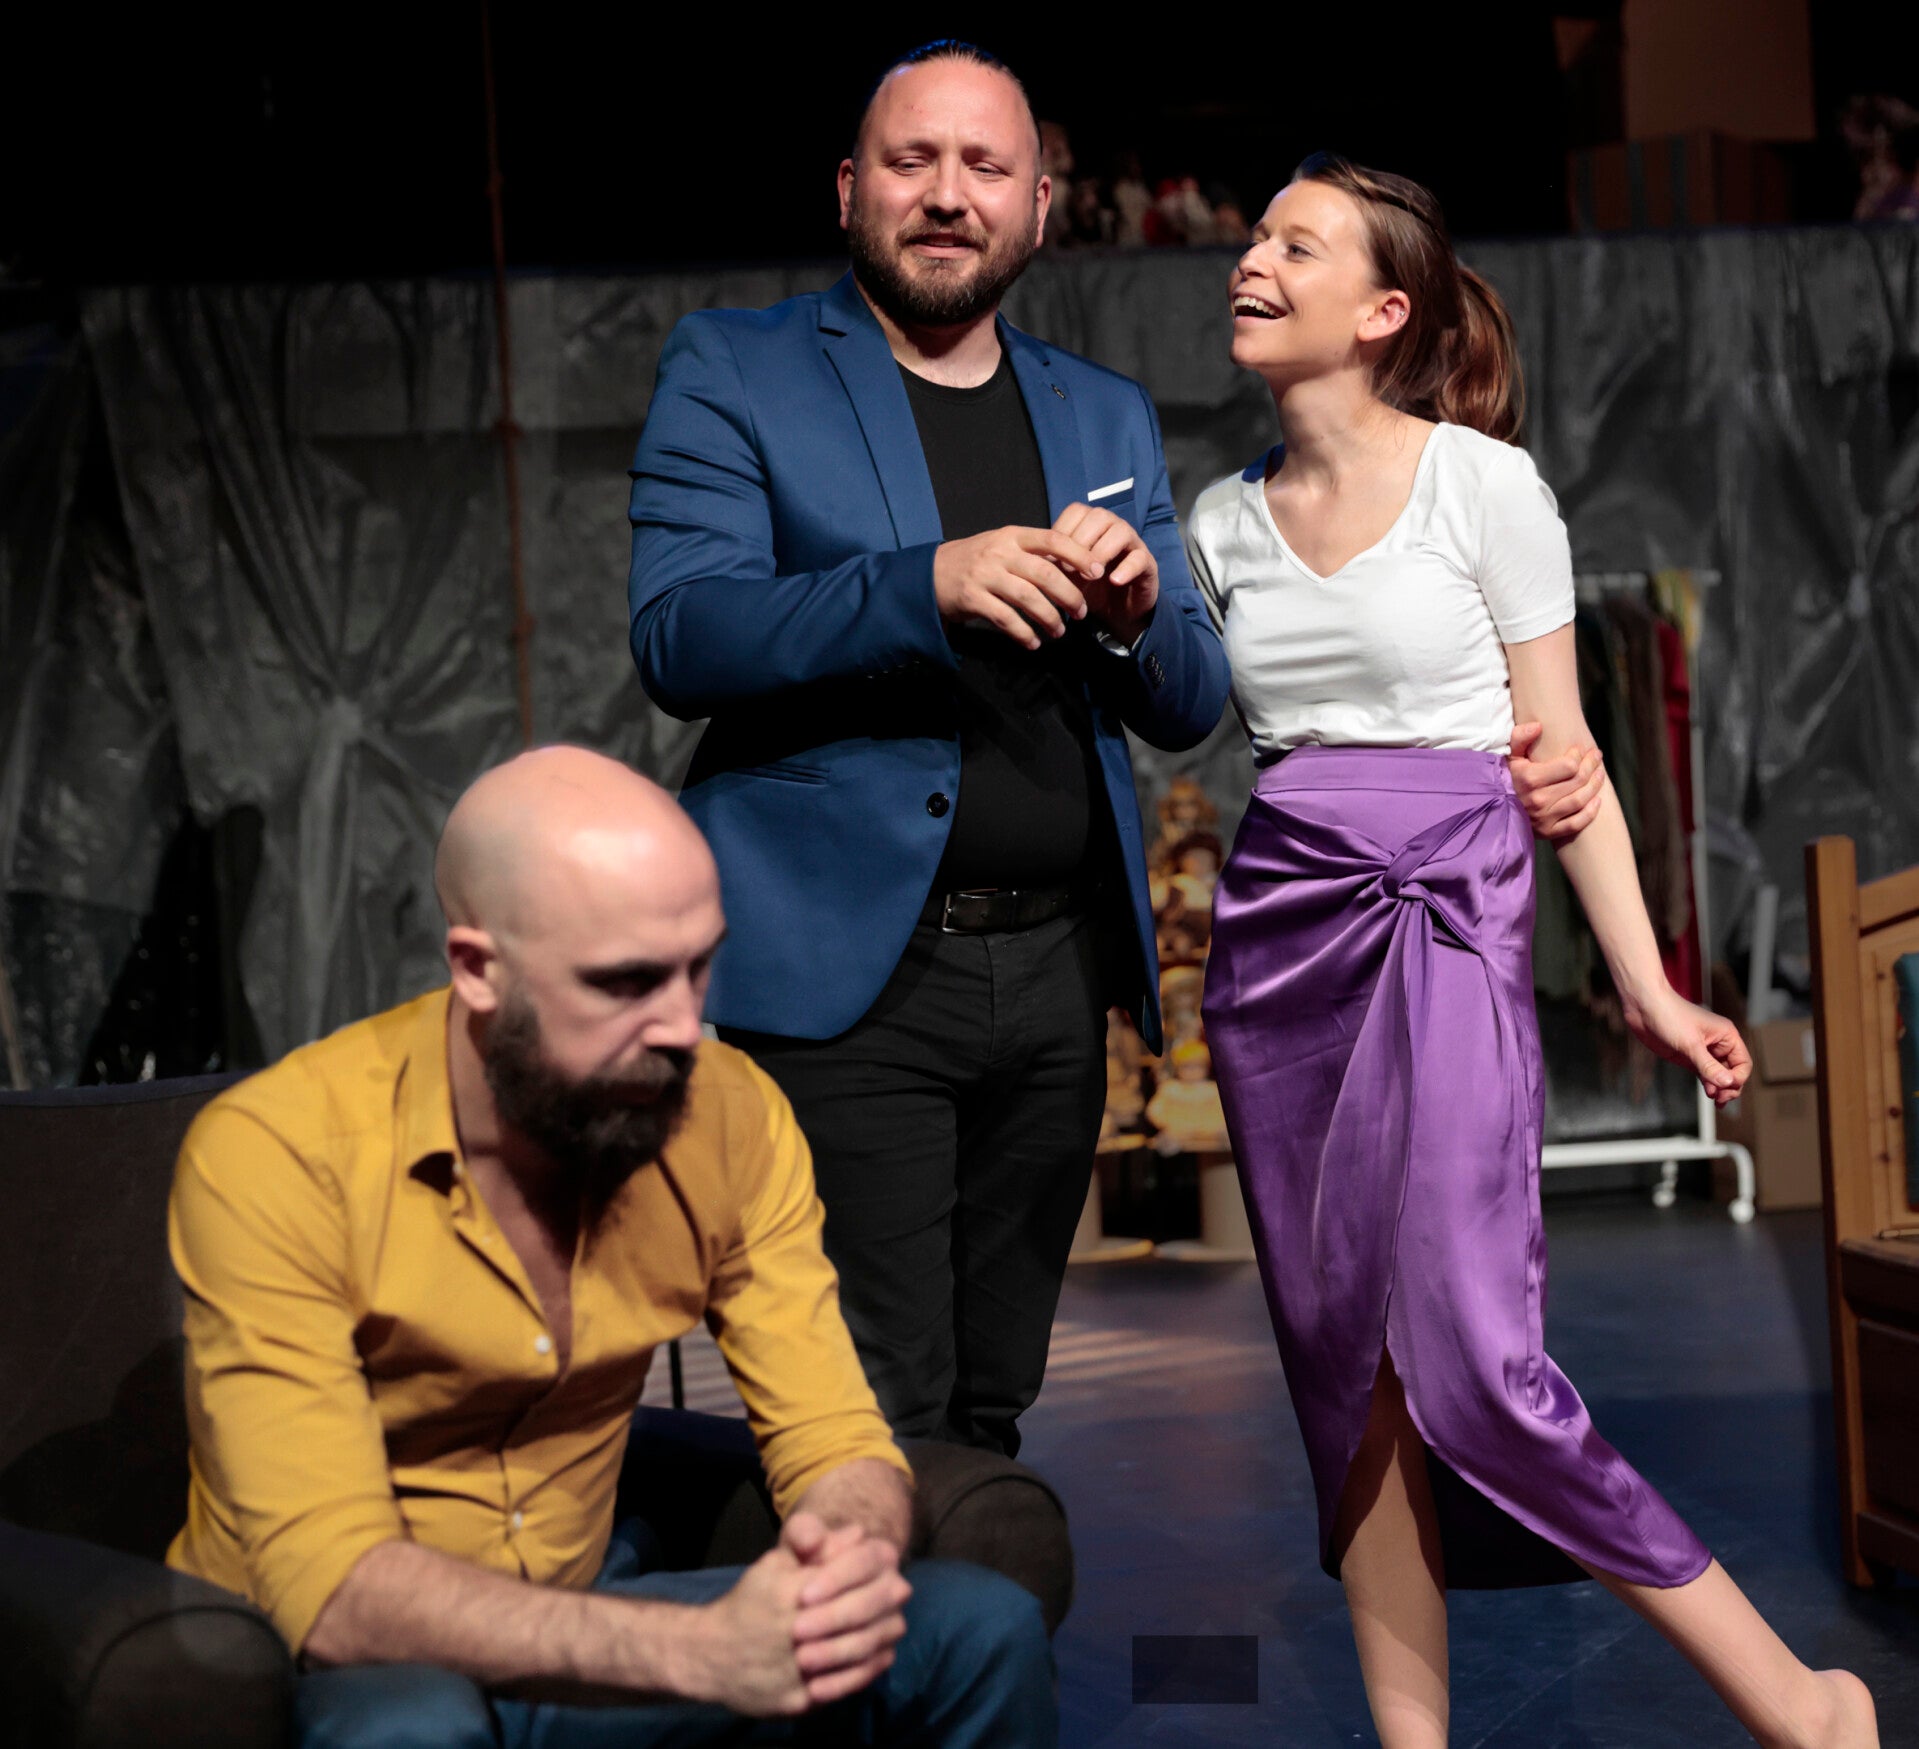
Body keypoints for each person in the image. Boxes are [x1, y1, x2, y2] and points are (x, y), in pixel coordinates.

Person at [1188, 153, 1879, 1748]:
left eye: (1294, 243)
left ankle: (1799, 1703)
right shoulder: (1216, 522)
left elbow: (1563, 761)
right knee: (1346, 1381)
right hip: (1277, 956)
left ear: (1383, 309)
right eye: (1252, 237)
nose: (1250, 260)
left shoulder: (1481, 488)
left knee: (1473, 1368)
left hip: (1443, 924)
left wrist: (1646, 986)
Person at [166, 746, 1055, 1748]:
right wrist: (702, 1651)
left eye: (697, 966)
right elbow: (332, 1588)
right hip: (354, 1656)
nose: (681, 1026)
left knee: (980, 1628)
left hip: (589, 1605)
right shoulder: (280, 1151)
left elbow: (832, 1435)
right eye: (626, 981)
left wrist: (842, 1561)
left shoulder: (728, 1117)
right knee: (411, 1727)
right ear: (478, 970)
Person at [625, 41, 1232, 1458]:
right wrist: (921, 586)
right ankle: (874, 1606)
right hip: (849, 985)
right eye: (913, 162)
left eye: (984, 167)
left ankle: (960, 1605)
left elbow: (1187, 699)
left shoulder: (1100, 408)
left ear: (1037, 207)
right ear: (850, 190)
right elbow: (681, 630)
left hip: (1054, 983)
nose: (947, 195)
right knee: (867, 1408)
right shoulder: (737, 367)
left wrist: (1136, 616)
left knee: (990, 1400)